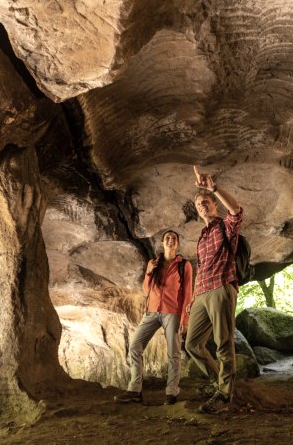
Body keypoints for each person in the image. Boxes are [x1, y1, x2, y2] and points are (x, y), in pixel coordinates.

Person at [185, 165, 243, 414]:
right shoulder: (201, 236)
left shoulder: (224, 227)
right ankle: (215, 380)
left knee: (223, 342)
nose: (202, 205)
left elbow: (237, 211)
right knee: (192, 344)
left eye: (206, 201)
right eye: (199, 204)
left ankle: (224, 394)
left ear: (214, 205)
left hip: (221, 287)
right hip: (202, 293)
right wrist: (194, 296)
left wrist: (213, 188)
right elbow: (201, 268)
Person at [114, 230, 193, 405]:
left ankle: (171, 393)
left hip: (172, 313)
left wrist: (185, 319)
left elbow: (188, 294)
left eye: (174, 239)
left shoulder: (184, 265)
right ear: (162, 243)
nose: (170, 241)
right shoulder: (154, 263)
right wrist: (149, 271)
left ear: (177, 244)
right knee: (135, 346)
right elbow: (146, 290)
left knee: (173, 353)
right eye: (167, 239)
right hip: (151, 311)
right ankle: (135, 391)